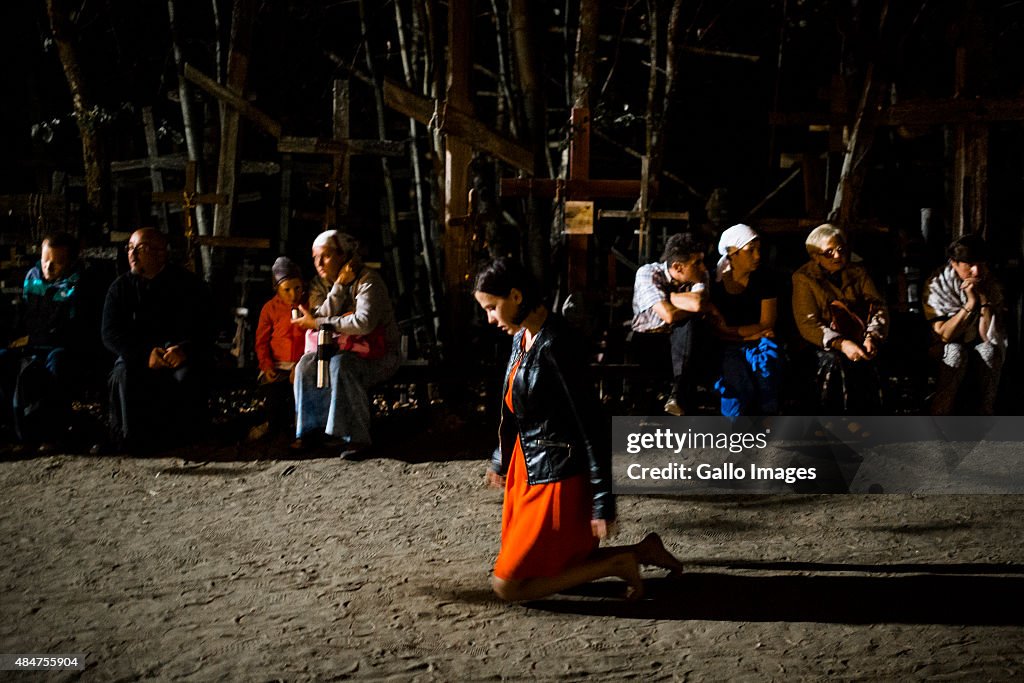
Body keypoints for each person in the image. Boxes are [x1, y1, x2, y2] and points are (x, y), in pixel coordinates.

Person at [475, 257, 685, 602]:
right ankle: (643, 550)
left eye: (492, 308)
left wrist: (603, 501)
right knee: (550, 565)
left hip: (557, 479)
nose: (490, 319)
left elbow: (592, 423)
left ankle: (618, 563)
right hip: (527, 473)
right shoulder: (521, 337)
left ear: (515, 296)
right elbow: (516, 407)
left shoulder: (558, 344)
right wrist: (501, 456)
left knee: (508, 586)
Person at [101, 228, 215, 452]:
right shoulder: (120, 289)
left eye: (141, 249)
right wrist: (144, 354)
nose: (133, 254)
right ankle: (129, 441)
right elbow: (110, 333)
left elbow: (207, 326)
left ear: (161, 254)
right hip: (137, 356)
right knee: (123, 375)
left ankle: (183, 441)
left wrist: (184, 350)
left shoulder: (187, 285)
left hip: (177, 355)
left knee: (189, 376)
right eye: (130, 248)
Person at [290, 230, 400, 456]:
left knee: (342, 365)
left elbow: (363, 323)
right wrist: (339, 288)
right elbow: (318, 315)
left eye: (326, 256)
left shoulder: (368, 280)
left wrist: (321, 322)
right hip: (335, 352)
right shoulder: (319, 286)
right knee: (305, 365)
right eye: (315, 257)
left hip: (378, 356)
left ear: (344, 256)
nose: (319, 263)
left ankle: (355, 437)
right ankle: (312, 431)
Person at [0, 232, 90, 447]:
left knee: (57, 364)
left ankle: (51, 430)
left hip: (59, 345)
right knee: (2, 358)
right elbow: (26, 316)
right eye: (44, 260)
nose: (48, 268)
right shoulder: (32, 276)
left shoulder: (78, 283)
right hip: (31, 343)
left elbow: (71, 327)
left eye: (56, 263)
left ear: (70, 262)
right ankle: (9, 426)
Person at [792, 223, 889, 413]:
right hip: (821, 342)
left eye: (840, 250)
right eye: (828, 252)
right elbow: (808, 323)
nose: (837, 256)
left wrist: (873, 336)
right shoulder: (804, 279)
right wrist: (841, 343)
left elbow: (878, 307)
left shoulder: (858, 272)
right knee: (835, 363)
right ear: (815, 256)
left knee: (874, 359)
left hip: (858, 334)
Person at [923, 234, 1006, 415]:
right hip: (942, 347)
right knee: (955, 351)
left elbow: (990, 336)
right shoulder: (938, 284)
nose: (976, 271)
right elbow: (943, 335)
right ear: (954, 263)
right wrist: (969, 304)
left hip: (975, 344)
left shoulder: (990, 283)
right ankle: (940, 413)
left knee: (990, 351)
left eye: (981, 264)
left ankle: (985, 412)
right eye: (969, 265)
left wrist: (983, 300)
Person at [630, 232, 712, 416]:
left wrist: (671, 298)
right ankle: (674, 396)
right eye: (696, 263)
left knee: (691, 324)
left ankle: (679, 394)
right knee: (687, 320)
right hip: (651, 339)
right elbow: (667, 315)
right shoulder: (648, 273)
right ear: (678, 267)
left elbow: (698, 303)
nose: (703, 267)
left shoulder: (701, 275)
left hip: (686, 344)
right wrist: (685, 303)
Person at [710, 224, 780, 416]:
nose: (757, 256)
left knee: (766, 373)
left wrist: (731, 333)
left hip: (758, 342)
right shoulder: (713, 282)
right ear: (732, 253)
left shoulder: (765, 279)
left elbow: (767, 323)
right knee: (737, 383)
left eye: (759, 250)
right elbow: (714, 329)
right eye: (750, 251)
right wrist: (745, 336)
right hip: (725, 347)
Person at [249, 256, 307, 439]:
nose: (293, 295)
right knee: (275, 395)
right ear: (276, 289)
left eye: (297, 288)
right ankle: (272, 425)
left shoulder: (309, 306)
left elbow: (312, 338)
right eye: (286, 290)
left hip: (302, 363)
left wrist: (300, 365)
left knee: (300, 393)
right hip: (277, 365)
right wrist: (266, 366)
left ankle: (301, 429)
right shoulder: (270, 309)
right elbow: (261, 341)